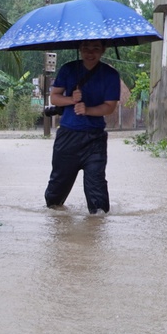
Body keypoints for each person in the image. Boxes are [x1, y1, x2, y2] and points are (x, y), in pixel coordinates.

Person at [44, 40, 120, 214]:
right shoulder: (68, 69)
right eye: (86, 48)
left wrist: (88, 110)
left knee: (97, 190)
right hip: (68, 137)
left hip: (95, 139)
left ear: (103, 50)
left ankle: (96, 229)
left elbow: (109, 107)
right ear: (80, 48)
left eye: (95, 48)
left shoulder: (110, 75)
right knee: (56, 191)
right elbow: (54, 97)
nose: (90, 52)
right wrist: (71, 99)